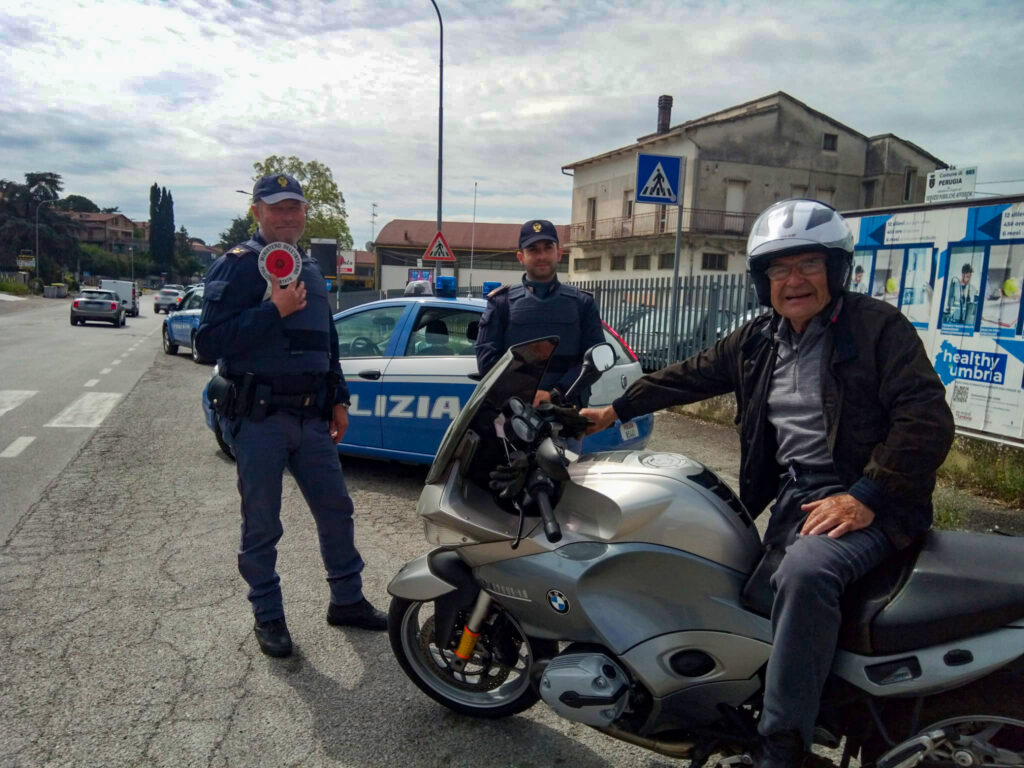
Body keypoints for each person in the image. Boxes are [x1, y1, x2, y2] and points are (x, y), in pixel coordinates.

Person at [581, 199, 954, 767]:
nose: (794, 280)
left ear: (836, 269)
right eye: (780, 269)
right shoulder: (758, 339)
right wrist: (615, 409)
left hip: (875, 500)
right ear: (763, 280)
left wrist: (865, 497)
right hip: (798, 498)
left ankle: (782, 747)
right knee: (746, 589)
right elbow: (690, 375)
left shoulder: (878, 328)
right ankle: (816, 698)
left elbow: (925, 419)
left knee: (806, 576)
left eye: (808, 264)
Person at [196, 173, 386, 659]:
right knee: (262, 524)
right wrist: (273, 310)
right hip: (259, 419)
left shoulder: (311, 267)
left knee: (337, 512)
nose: (287, 217)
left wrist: (338, 397)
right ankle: (269, 616)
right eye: (277, 208)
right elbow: (208, 342)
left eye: (294, 208)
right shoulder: (238, 266)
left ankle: (347, 600)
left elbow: (328, 340)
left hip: (312, 419)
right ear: (256, 211)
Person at [475, 219, 605, 407]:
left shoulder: (582, 303)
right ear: (520, 257)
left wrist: (555, 393)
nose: (541, 256)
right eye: (533, 250)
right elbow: (488, 362)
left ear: (559, 253)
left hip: (565, 412)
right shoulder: (501, 303)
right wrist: (527, 394)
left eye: (547, 248)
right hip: (515, 411)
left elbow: (595, 360)